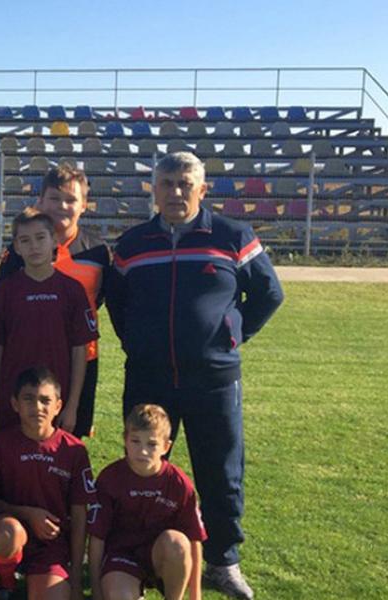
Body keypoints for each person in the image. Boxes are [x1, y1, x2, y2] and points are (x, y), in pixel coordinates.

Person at [105, 151, 284, 599]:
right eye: (166, 183)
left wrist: (231, 335)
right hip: (149, 378)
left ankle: (223, 561)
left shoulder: (232, 235)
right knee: (143, 464)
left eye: (185, 184)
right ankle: (139, 554)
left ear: (202, 189)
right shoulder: (132, 244)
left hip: (213, 378)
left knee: (220, 470)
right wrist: (138, 342)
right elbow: (118, 303)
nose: (175, 192)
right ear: (153, 190)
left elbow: (269, 293)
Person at [0, 165, 110, 438]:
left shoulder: (98, 251)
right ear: (40, 201)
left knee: (69, 436)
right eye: (55, 198)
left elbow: (100, 299)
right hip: (28, 354)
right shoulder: (20, 250)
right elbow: (3, 303)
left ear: (84, 205)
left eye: (71, 199)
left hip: (81, 357)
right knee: (21, 433)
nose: (62, 206)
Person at [0, 207, 97, 434]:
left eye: (40, 238)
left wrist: (72, 406)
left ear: (54, 241)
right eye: (25, 240)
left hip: (55, 400)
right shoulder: (6, 290)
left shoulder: (72, 290)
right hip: (14, 398)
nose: (34, 246)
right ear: (16, 247)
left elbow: (79, 350)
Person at [0, 367, 93, 599]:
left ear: (58, 406)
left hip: (51, 546)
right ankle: (7, 582)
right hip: (12, 532)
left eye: (45, 400)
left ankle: (46, 576)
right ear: (15, 404)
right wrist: (27, 514)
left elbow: (80, 513)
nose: (37, 407)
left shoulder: (74, 450)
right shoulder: (0, 443)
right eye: (28, 399)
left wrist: (75, 575)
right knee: (7, 532)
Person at [88, 404, 206, 600]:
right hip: (122, 556)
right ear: (125, 440)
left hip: (159, 556)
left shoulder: (179, 483)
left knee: (177, 543)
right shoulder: (110, 479)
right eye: (135, 441)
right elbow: (97, 537)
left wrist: (196, 596)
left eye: (152, 444)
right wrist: (96, 592)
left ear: (166, 446)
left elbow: (194, 539)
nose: (143, 451)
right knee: (118, 595)